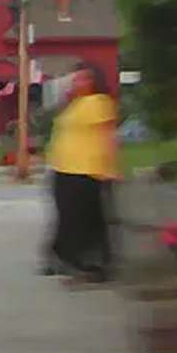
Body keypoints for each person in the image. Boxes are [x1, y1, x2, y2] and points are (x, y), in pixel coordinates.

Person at [45, 67, 120, 283]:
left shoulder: (99, 102)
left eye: (82, 79)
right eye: (75, 79)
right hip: (64, 168)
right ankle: (64, 258)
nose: (77, 82)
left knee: (84, 218)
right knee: (66, 216)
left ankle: (91, 262)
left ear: (93, 82)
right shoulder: (72, 105)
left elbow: (108, 135)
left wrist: (111, 165)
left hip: (86, 169)